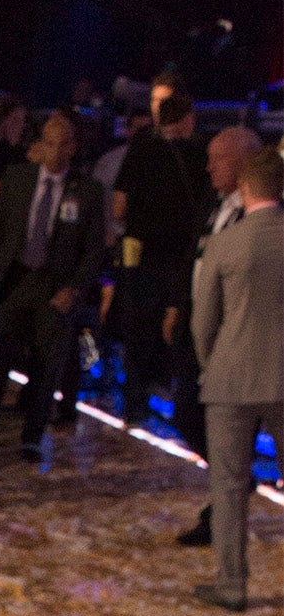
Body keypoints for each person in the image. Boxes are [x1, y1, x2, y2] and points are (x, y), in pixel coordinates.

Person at [0, 112, 105, 455]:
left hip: (55, 287)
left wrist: (74, 288)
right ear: (40, 145)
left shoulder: (87, 191)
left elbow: (93, 250)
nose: (55, 152)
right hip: (15, 280)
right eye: (49, 143)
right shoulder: (17, 179)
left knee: (47, 365)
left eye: (62, 144)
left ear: (72, 147)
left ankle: (32, 436)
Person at [189, 142, 282, 613]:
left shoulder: (225, 243)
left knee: (227, 486)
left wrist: (211, 364)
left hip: (230, 376)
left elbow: (203, 320)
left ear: (244, 188)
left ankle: (232, 584)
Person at [115, 83, 208, 432]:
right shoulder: (199, 154)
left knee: (138, 329)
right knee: (180, 326)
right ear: (187, 119)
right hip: (184, 254)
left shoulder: (140, 150)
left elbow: (119, 206)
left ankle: (134, 405)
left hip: (143, 254)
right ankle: (177, 400)